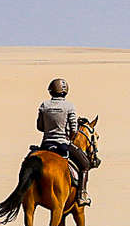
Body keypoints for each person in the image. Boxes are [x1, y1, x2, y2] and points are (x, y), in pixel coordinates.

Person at [37, 77, 93, 206]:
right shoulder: (69, 106)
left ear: (51, 90)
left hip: (45, 144)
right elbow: (73, 130)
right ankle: (82, 194)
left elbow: (40, 127)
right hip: (63, 145)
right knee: (85, 164)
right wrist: (69, 136)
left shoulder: (44, 105)